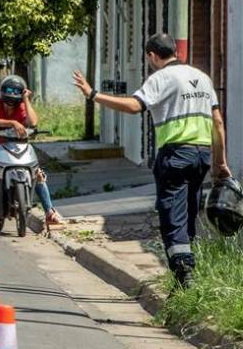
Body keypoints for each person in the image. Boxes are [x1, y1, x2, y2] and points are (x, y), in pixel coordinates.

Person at [73, 33, 232, 287]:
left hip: (176, 154)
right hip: (201, 155)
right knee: (189, 211)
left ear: (152, 55)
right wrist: (220, 163)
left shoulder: (161, 78)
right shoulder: (202, 77)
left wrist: (93, 95)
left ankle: (185, 275)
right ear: (176, 52)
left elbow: (134, 106)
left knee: (172, 216)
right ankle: (184, 279)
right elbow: (218, 123)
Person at [0, 75, 62, 230]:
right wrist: (14, 123)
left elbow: (33, 122)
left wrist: (26, 99)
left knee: (38, 174)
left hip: (19, 149)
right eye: (8, 90)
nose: (11, 95)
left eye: (16, 91)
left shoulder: (23, 106)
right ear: (2, 92)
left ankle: (49, 212)